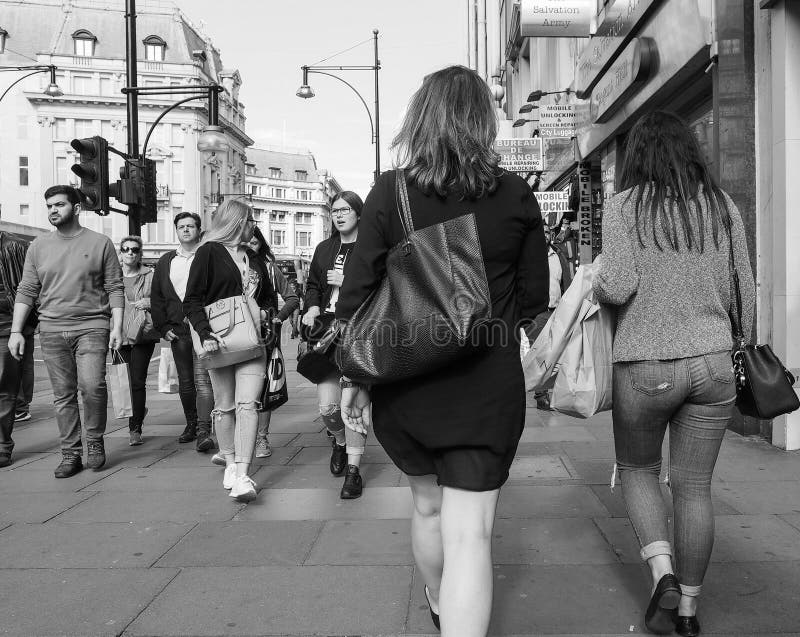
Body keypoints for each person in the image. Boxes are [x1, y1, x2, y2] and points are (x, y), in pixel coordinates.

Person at [335, 65, 549, 636]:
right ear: (484, 123)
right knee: (471, 533)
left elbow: (356, 294)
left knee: (427, 507)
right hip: (486, 385)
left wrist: (355, 379)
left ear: (419, 119)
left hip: (407, 380)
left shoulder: (390, 190)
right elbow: (534, 298)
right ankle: (454, 606)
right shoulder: (515, 194)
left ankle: (436, 596)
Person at [593, 111, 755, 637]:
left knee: (638, 472)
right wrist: (740, 344)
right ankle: (688, 613)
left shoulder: (623, 208)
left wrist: (594, 282)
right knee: (694, 488)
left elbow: (616, 287)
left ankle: (661, 574)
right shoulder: (721, 206)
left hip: (645, 365)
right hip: (713, 365)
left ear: (637, 157)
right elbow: (743, 292)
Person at [8, 185, 123, 478]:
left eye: (59, 204)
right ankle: (70, 453)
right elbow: (27, 289)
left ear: (76, 207)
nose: (53, 211)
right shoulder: (38, 246)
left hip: (92, 326)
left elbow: (114, 288)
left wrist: (118, 327)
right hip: (51, 329)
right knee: (63, 395)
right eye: (49, 206)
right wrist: (16, 331)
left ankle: (94, 441)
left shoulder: (101, 243)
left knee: (92, 387)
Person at [183, 199, 277, 502]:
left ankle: (242, 473)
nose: (254, 226)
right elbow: (192, 300)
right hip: (220, 339)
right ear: (237, 221)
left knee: (248, 404)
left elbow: (269, 298)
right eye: (251, 220)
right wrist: (205, 332)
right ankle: (229, 457)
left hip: (253, 341)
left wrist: (265, 313)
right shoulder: (209, 253)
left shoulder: (254, 258)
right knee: (224, 406)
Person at [302, 191, 369, 499]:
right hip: (328, 331)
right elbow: (313, 284)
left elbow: (383, 286)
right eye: (334, 210)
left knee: (353, 404)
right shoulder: (325, 247)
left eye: (345, 209)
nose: (339, 215)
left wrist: (348, 282)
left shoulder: (373, 247)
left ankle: (353, 471)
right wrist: (312, 306)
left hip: (361, 330)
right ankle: (339, 442)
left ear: (358, 213)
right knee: (329, 407)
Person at [151, 212, 215, 452]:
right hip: (178, 331)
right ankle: (191, 423)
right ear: (176, 231)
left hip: (204, 328)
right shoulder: (167, 260)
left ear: (199, 230)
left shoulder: (209, 256)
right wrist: (163, 327)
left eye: (190, 226)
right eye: (181, 227)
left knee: (203, 381)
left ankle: (203, 428)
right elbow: (157, 296)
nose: (186, 230)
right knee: (186, 382)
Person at [247, 226, 299, 458]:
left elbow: (292, 297)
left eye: (255, 243)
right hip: (236, 333)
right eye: (246, 242)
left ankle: (261, 438)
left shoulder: (269, 267)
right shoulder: (230, 267)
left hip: (265, 334)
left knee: (264, 385)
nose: (250, 247)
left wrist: (277, 318)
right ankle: (242, 438)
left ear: (261, 244)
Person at [0, 219, 36, 468]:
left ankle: (2, 445)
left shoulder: (16, 247)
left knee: (5, 388)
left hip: (7, 328)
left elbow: (33, 287)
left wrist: (25, 327)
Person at [118, 235, 159, 445]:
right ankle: (137, 410)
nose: (130, 253)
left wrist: (149, 301)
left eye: (134, 249)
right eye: (126, 249)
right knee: (121, 382)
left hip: (142, 333)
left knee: (136, 381)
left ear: (140, 253)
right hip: (118, 334)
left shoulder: (150, 276)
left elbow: (162, 299)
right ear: (121, 252)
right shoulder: (112, 276)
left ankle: (135, 428)